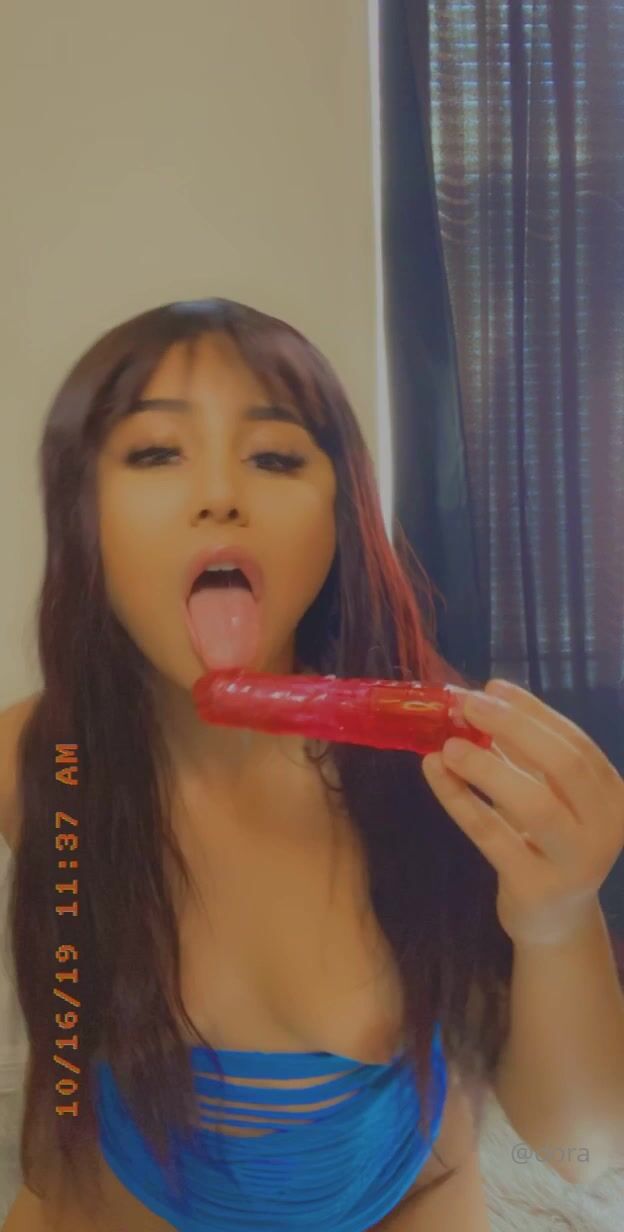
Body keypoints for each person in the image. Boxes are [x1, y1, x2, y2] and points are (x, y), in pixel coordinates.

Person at [2, 296, 531, 1230]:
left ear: (341, 513)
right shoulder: (40, 759)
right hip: (121, 1193)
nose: (220, 495)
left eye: (276, 456)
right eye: (155, 453)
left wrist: (562, 913)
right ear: (80, 513)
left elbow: (567, 1108)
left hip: (402, 1191)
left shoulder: (432, 771)